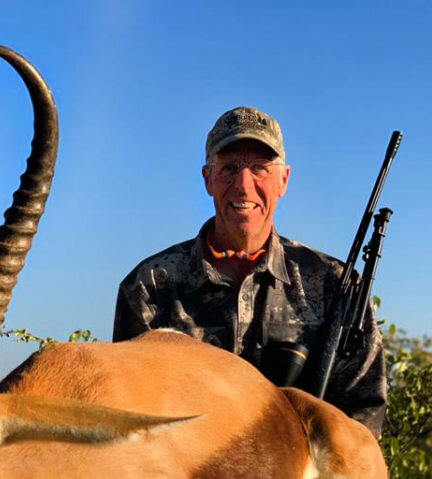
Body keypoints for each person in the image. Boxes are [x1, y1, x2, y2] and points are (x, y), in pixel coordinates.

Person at [113, 106, 387, 436]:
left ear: (284, 180)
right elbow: (128, 416)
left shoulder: (334, 284)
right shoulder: (150, 286)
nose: (243, 185)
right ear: (208, 179)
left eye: (259, 168)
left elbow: (365, 416)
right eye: (228, 169)